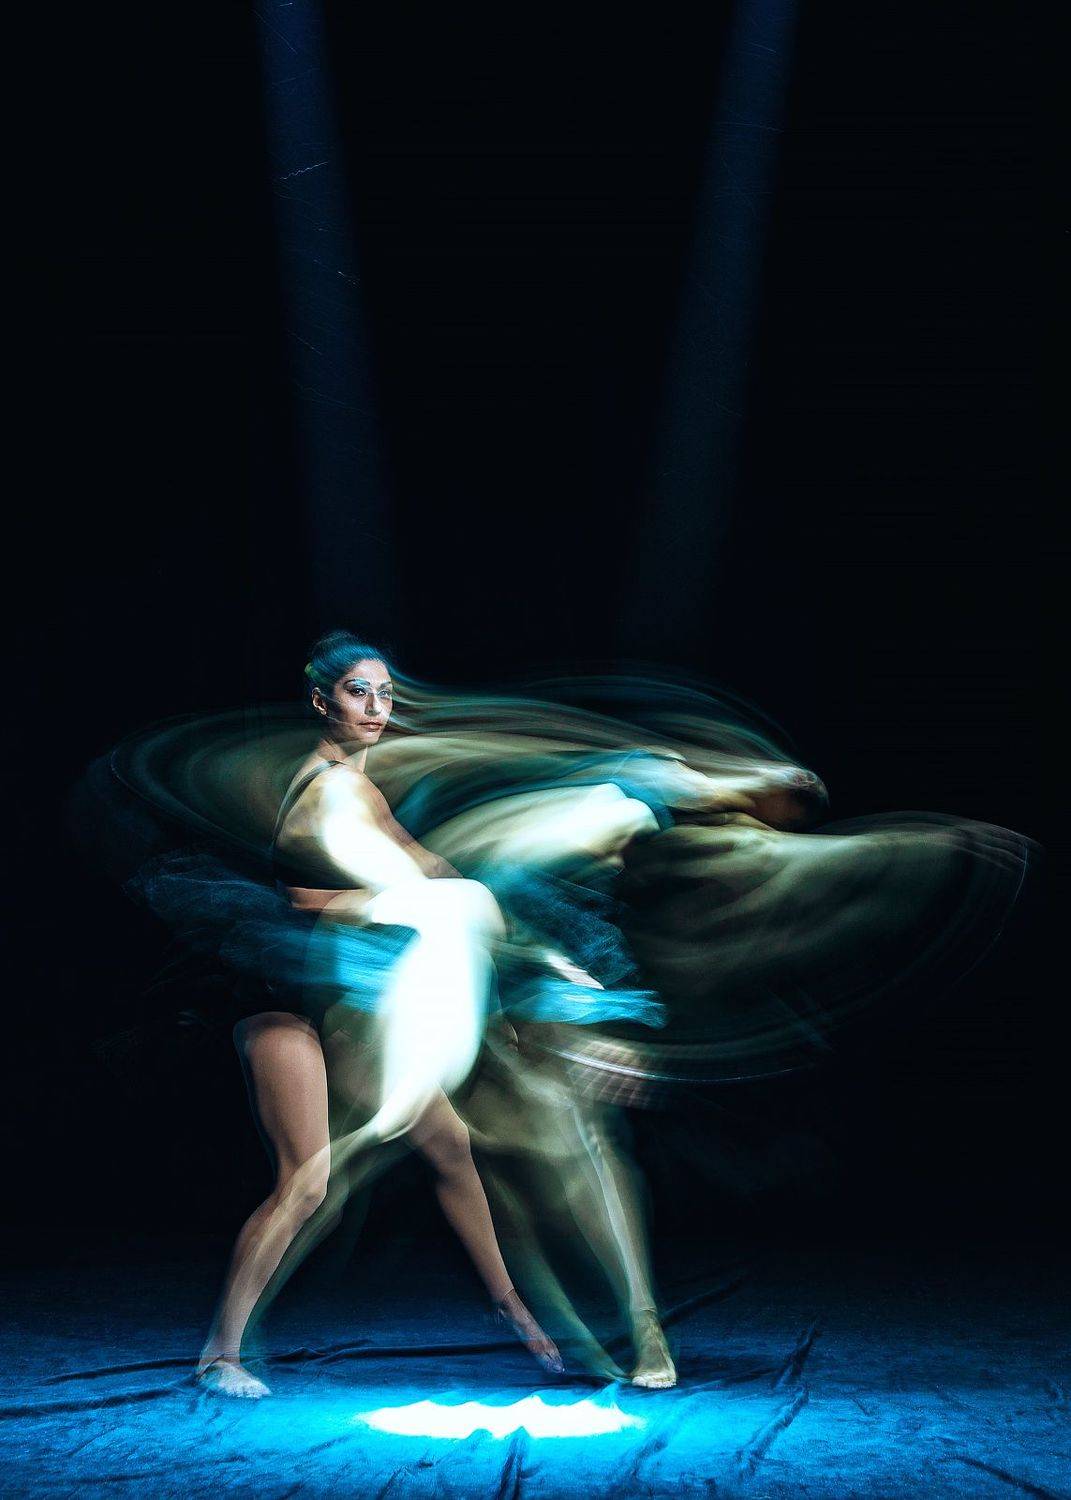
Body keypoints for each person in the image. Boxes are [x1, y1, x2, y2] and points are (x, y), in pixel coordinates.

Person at [191, 629, 563, 1397]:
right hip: (281, 997)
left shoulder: (362, 787)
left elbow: (426, 864)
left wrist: (491, 921)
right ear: (321, 700)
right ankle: (219, 1355)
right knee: (309, 1182)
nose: (375, 707)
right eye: (358, 691)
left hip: (342, 998)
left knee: (449, 1140)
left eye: (386, 694)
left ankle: (511, 1307)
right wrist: (412, 904)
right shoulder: (321, 786)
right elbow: (305, 902)